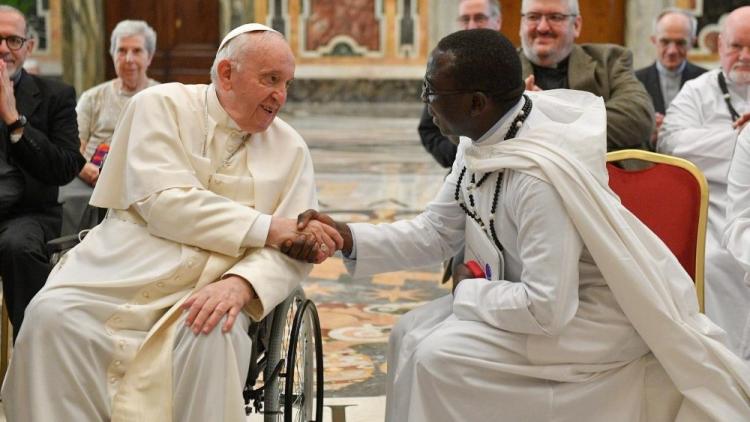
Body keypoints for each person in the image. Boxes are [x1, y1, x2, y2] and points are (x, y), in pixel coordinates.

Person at [286, 29, 750, 421]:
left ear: (476, 101)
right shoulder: (484, 138)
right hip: (521, 299)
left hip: (588, 320)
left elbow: (549, 308)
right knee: (407, 332)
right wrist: (348, 236)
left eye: (432, 91)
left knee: (435, 357)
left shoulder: (536, 178)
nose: (426, 104)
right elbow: (436, 230)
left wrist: (469, 290)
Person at [2, 23, 342, 421]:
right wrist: (271, 227)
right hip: (123, 271)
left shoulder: (292, 150)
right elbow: (163, 204)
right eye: (270, 80)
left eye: (286, 83)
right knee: (50, 318)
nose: (280, 96)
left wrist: (242, 284)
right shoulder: (159, 105)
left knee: (211, 332)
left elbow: (293, 251)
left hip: (212, 287)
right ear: (227, 74)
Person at [658, 5, 750, 359]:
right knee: (714, 261)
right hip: (713, 206)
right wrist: (741, 141)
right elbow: (673, 144)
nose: (743, 56)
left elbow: (695, 147)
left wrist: (717, 145)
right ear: (719, 46)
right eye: (735, 46)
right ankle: (726, 363)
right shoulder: (698, 90)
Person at [0, 5, 84, 334]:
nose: (3, 48)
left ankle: (33, 348)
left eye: (13, 40)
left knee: (18, 247)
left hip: (28, 215)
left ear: (29, 46)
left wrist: (14, 120)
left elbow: (65, 167)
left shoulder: (55, 96)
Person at [58, 20, 159, 236]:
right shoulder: (92, 97)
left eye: (137, 51)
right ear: (113, 55)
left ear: (149, 57)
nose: (129, 59)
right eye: (121, 51)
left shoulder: (163, 97)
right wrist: (85, 169)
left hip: (141, 181)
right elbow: (74, 146)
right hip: (90, 180)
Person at [520, 0, 654, 151]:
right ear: (522, 23)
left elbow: (638, 117)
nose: (542, 27)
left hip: (604, 170)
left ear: (576, 25)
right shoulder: (501, 67)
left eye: (555, 17)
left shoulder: (610, 60)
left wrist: (553, 110)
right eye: (533, 17)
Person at [418, 0, 501, 168]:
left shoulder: (514, 64)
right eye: (465, 19)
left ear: (497, 21)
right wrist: (461, 155)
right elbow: (429, 129)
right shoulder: (443, 70)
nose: (471, 26)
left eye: (479, 18)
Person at [635, 8, 706, 148]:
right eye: (665, 42)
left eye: (680, 43)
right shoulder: (633, 81)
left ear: (692, 42)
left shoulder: (707, 81)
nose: (672, 50)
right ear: (654, 40)